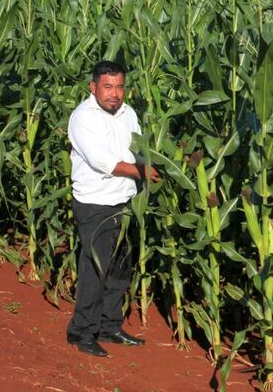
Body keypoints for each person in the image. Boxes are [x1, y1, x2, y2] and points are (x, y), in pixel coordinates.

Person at [66, 60, 160, 357]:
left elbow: (137, 152)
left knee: (119, 269)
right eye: (107, 87)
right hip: (95, 204)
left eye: (119, 86)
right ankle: (82, 332)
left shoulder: (128, 114)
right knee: (95, 269)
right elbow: (102, 162)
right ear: (93, 87)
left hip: (124, 202)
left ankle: (109, 326)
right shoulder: (84, 118)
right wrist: (143, 173)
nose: (114, 93)